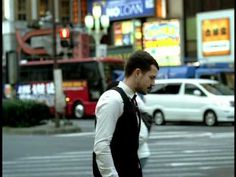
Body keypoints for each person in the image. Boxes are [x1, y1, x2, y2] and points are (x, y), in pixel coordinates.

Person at [93, 50, 159, 177]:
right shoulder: (113, 99)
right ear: (138, 73)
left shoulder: (130, 99)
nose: (153, 83)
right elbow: (101, 146)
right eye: (151, 77)